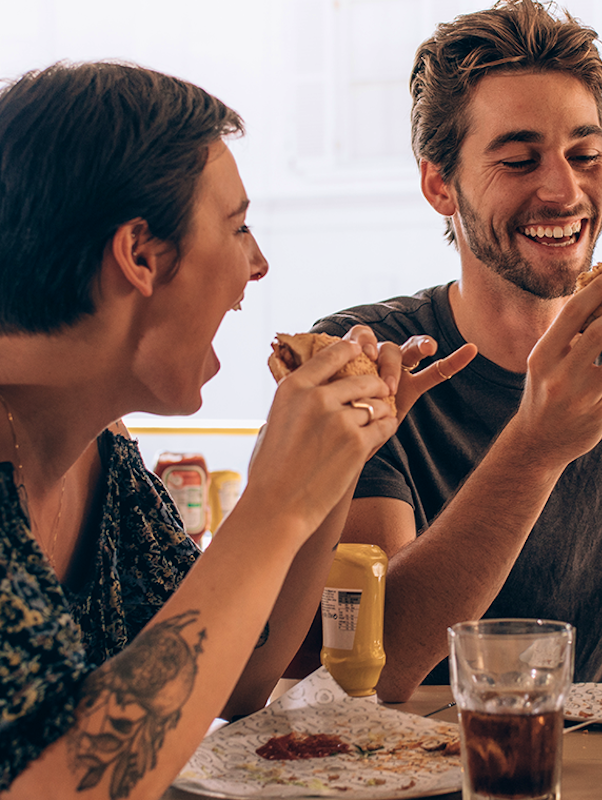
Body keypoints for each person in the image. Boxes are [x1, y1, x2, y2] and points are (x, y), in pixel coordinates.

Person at [0, 61, 468, 798]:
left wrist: (335, 464)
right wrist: (274, 503)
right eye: (238, 227)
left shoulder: (103, 456)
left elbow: (235, 677)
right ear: (140, 255)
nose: (259, 264)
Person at [307, 0, 602, 701]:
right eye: (518, 160)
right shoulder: (366, 365)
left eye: (585, 155)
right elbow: (374, 662)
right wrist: (538, 444)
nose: (565, 191)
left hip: (598, 751)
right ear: (439, 184)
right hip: (409, 753)